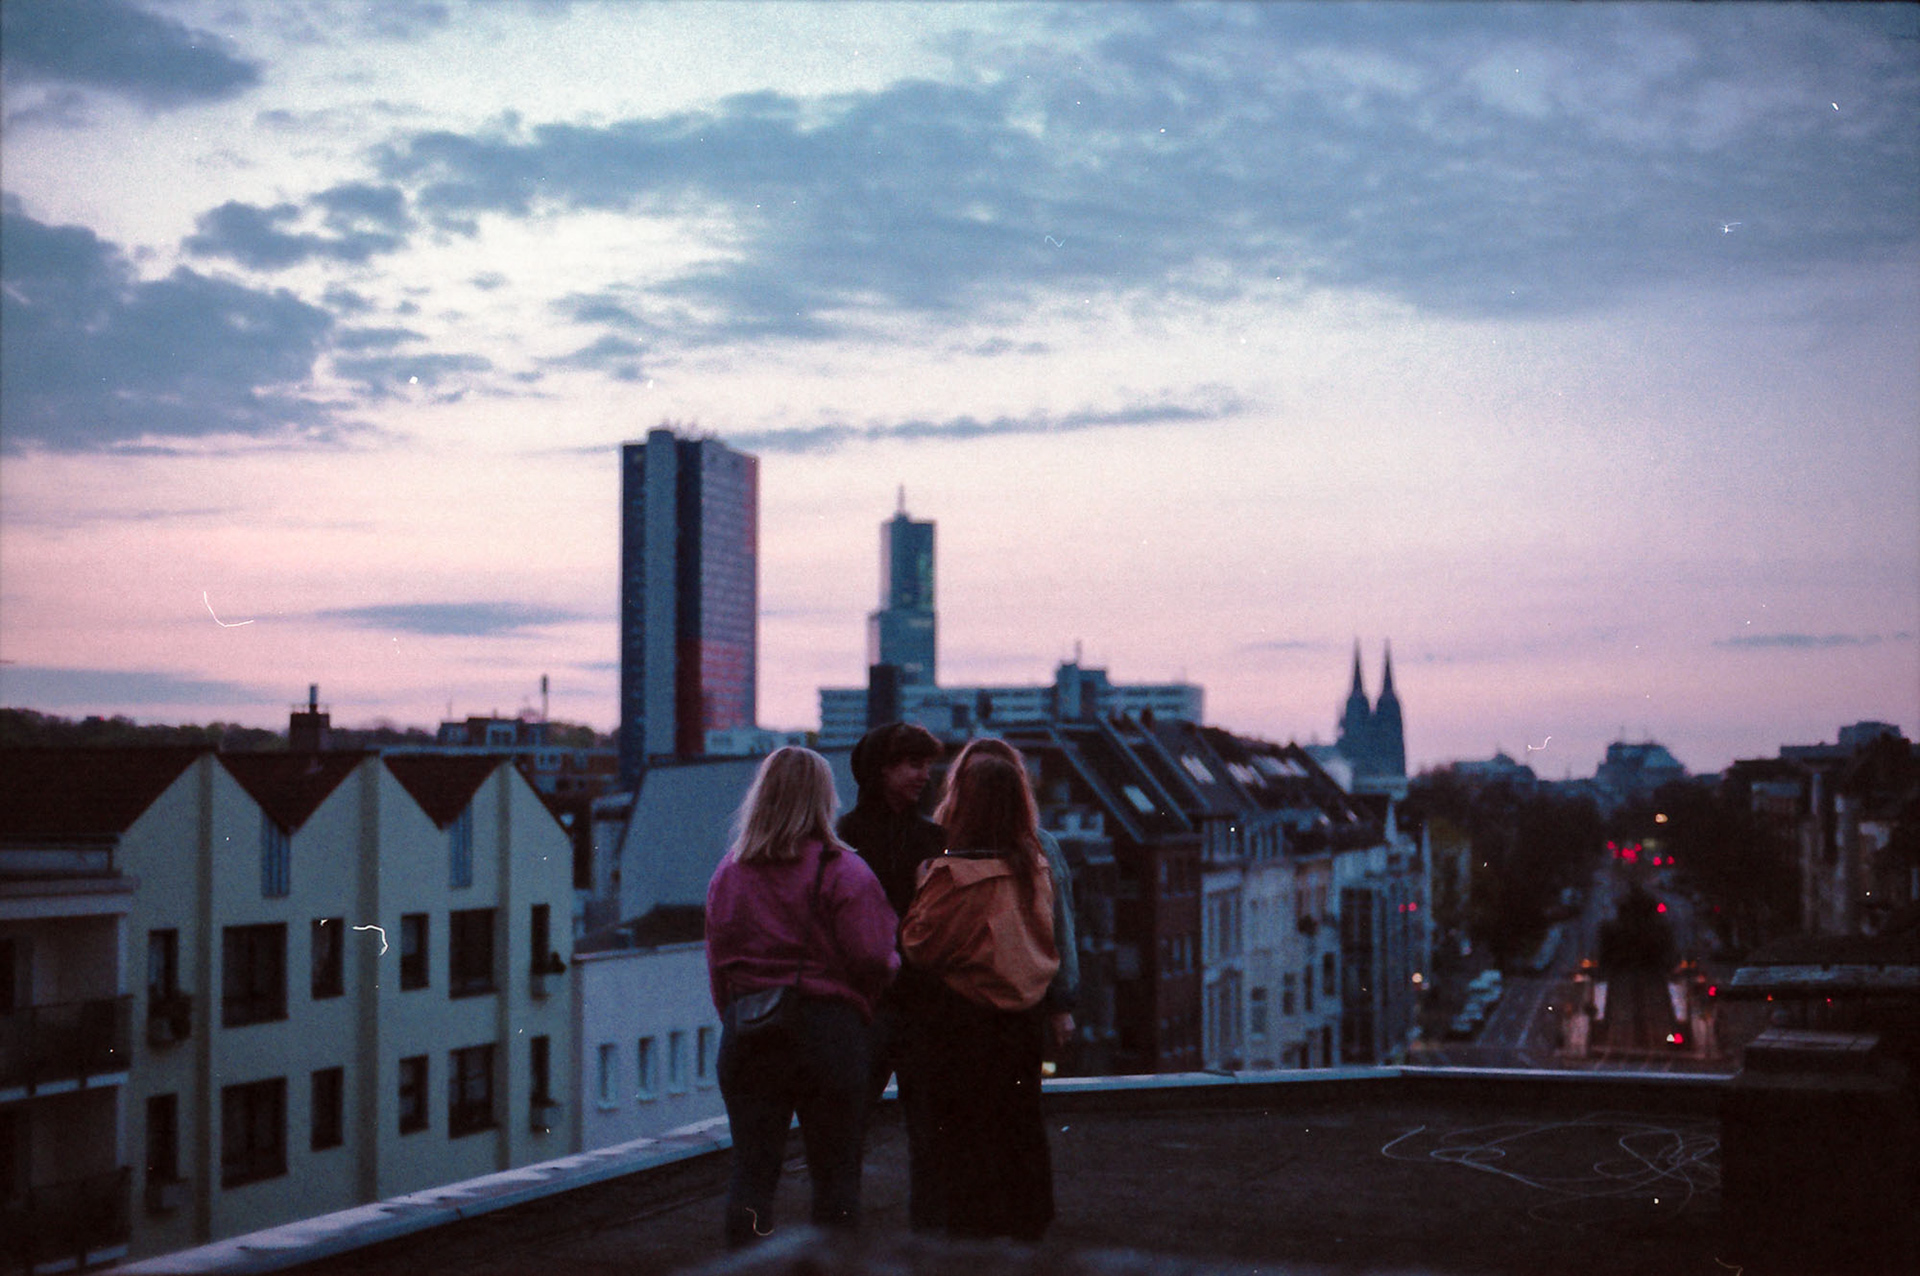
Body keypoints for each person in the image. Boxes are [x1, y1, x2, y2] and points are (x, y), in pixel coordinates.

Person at [705, 747, 899, 1248]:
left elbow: (719, 965)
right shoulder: (844, 871)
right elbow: (874, 958)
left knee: (752, 1171)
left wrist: (738, 1013)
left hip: (749, 1030)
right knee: (835, 1176)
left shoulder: (729, 873)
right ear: (823, 799)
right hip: (828, 1033)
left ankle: (743, 1264)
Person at [900, 753, 1060, 1242]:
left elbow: (919, 945)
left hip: (964, 1021)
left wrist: (921, 884)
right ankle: (1028, 1225)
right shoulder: (1035, 866)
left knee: (965, 1137)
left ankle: (975, 1239)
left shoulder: (956, 876)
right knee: (1021, 1125)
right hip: (1024, 1016)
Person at [833, 721, 948, 1229]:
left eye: (926, 764)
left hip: (912, 1004)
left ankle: (919, 1237)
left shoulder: (930, 837)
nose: (924, 775)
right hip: (873, 1004)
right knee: (851, 1127)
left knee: (926, 1132)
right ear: (881, 770)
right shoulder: (845, 837)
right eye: (912, 764)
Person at [943, 737, 1079, 1059]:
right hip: (976, 1003)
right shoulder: (942, 842)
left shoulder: (1041, 848)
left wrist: (1062, 1003)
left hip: (1008, 1000)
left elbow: (1059, 927)